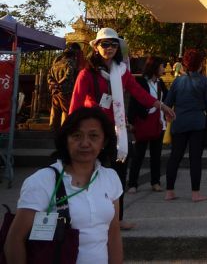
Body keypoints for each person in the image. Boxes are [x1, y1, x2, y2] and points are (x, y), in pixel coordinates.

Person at [70, 28, 175, 231]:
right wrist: (71, 134)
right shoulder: (87, 74)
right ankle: (87, 218)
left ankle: (116, 220)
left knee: (117, 178)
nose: (109, 48)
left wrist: (161, 106)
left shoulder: (122, 72)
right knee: (90, 177)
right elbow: (75, 105)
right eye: (104, 44)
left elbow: (139, 93)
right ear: (96, 47)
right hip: (92, 134)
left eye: (113, 44)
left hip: (116, 133)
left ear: (118, 47)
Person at [5, 107, 124, 264]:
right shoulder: (42, 181)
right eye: (77, 136)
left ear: (104, 141)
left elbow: (113, 234)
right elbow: (14, 240)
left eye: (94, 136)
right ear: (66, 140)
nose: (85, 143)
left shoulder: (110, 178)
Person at [164, 49, 207, 202]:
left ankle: (169, 191)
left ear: (185, 64)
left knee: (175, 156)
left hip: (179, 121)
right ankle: (195, 193)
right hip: (197, 122)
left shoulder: (177, 81)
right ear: (201, 64)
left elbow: (168, 103)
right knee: (195, 158)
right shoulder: (204, 81)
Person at [127, 56, 168, 194]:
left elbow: (167, 99)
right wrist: (131, 121)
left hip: (159, 122)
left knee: (156, 155)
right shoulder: (140, 81)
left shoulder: (160, 83)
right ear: (155, 67)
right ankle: (133, 183)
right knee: (139, 154)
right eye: (162, 66)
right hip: (144, 122)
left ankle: (155, 181)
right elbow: (134, 102)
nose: (164, 68)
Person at [47, 42, 84, 131]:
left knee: (55, 110)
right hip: (66, 90)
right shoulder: (71, 62)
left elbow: (49, 76)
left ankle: (52, 128)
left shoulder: (56, 63)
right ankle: (65, 129)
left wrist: (54, 84)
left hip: (55, 91)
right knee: (66, 110)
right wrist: (59, 83)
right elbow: (68, 75)